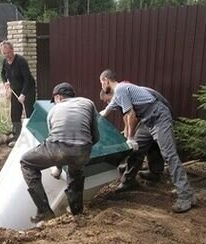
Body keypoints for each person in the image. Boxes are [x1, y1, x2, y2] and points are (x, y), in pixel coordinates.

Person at [99, 69, 195, 212]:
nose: (101, 86)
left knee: (169, 155)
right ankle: (129, 182)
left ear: (106, 80)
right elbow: (109, 112)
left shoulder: (120, 89)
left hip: (159, 117)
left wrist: (130, 137)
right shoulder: (120, 94)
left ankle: (186, 196)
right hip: (147, 120)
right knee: (136, 149)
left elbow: (131, 115)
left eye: (101, 83)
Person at [20, 82, 99, 223]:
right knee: (76, 172)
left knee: (26, 162)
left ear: (58, 97)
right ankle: (77, 212)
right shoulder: (88, 103)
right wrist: (79, 152)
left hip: (58, 148)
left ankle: (44, 210)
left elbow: (55, 142)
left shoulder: (53, 111)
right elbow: (95, 137)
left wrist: (56, 165)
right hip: (83, 150)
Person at [99, 89, 165, 183]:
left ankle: (128, 181)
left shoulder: (122, 96)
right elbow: (127, 119)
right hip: (158, 114)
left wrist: (129, 137)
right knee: (152, 144)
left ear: (110, 94)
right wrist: (126, 134)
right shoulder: (125, 95)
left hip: (154, 114)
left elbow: (131, 118)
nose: (108, 103)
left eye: (107, 100)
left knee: (137, 146)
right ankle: (155, 173)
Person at [0, 40, 36, 147]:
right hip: (15, 90)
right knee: (15, 113)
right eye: (5, 54)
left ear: (12, 50)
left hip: (28, 89)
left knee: (29, 112)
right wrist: (5, 82)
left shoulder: (21, 61)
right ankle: (17, 137)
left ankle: (32, 136)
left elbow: (27, 79)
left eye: (9, 53)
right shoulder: (5, 62)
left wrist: (24, 94)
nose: (7, 56)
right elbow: (3, 73)